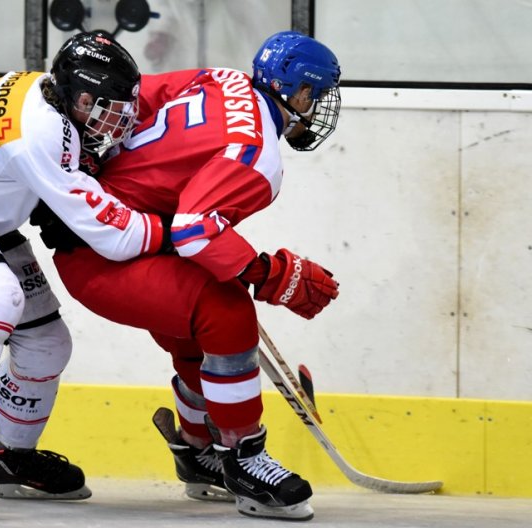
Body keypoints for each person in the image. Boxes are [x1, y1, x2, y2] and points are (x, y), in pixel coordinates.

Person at [36, 31, 341, 521]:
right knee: (224, 310)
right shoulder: (259, 154)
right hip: (106, 253)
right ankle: (245, 459)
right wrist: (270, 274)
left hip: (109, 230)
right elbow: (196, 230)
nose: (318, 106)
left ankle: (199, 449)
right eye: (318, 95)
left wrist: (89, 166)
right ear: (300, 93)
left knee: (198, 327)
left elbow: (136, 95)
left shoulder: (222, 79)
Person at [0, 30, 170, 518]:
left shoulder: (51, 100)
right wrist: (179, 232)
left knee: (46, 342)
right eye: (101, 106)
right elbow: (114, 235)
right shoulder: (40, 131)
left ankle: (10, 458)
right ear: (76, 96)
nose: (114, 121)